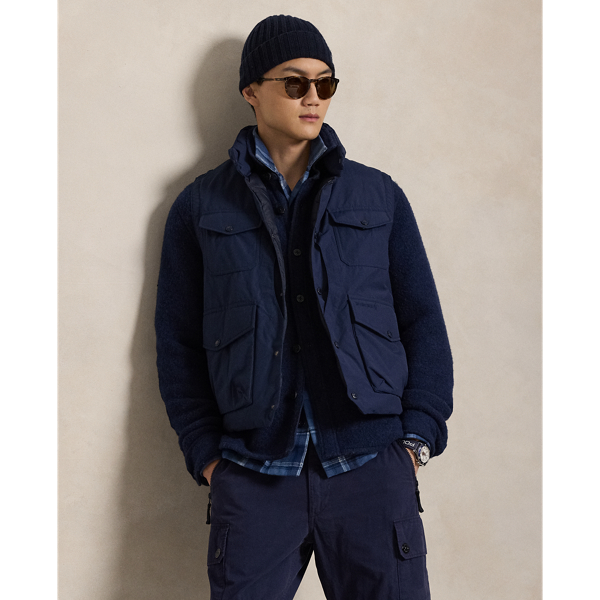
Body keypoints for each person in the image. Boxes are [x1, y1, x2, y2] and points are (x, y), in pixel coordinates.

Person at [155, 14, 453, 600]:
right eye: (295, 83)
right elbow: (177, 343)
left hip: (372, 468)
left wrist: (416, 440)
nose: (313, 98)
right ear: (251, 91)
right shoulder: (199, 208)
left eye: (325, 83)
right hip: (254, 474)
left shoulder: (380, 196)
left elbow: (422, 321)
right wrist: (208, 455)